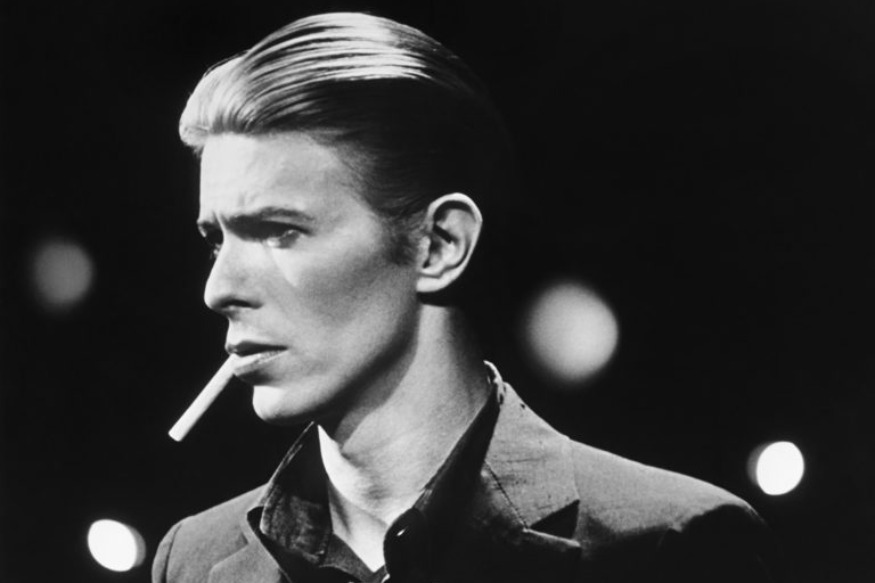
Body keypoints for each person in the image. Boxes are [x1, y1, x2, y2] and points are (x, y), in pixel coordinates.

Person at [153, 12, 783, 583]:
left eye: (280, 232)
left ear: (440, 245)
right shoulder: (192, 562)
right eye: (217, 241)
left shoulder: (667, 549)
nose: (219, 289)